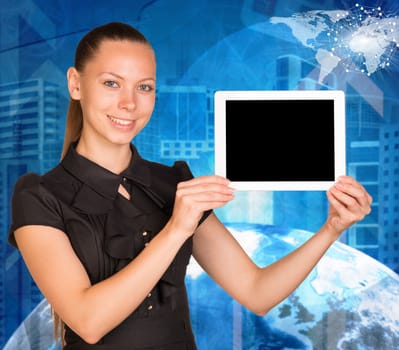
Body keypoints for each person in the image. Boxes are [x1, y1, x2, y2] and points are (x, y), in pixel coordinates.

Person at [8, 22, 372, 350]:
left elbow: (257, 292)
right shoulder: (39, 196)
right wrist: (176, 229)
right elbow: (88, 322)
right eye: (111, 83)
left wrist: (332, 229)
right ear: (75, 84)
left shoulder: (173, 185)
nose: (129, 103)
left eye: (144, 87)